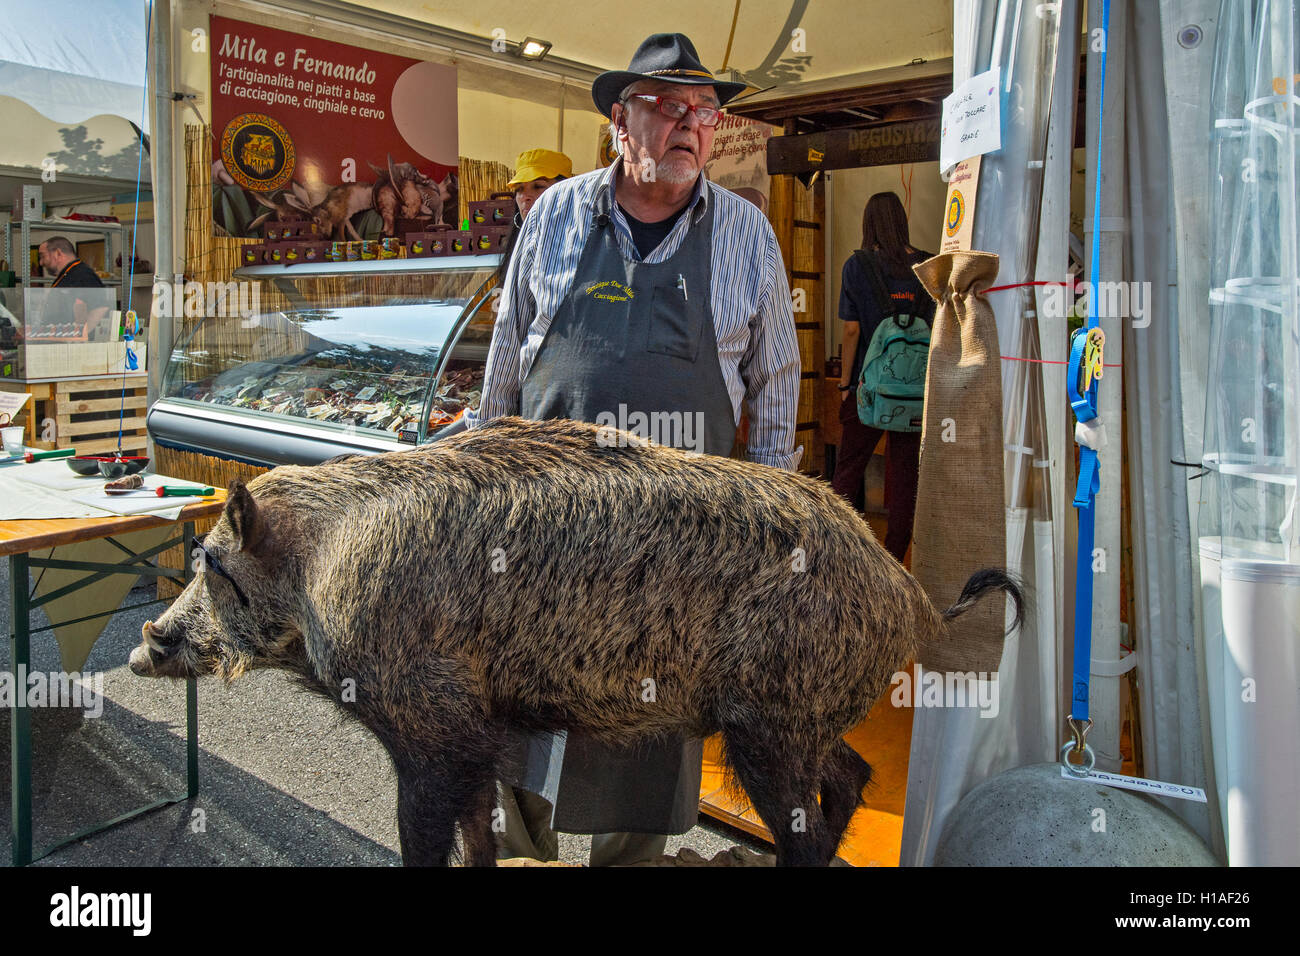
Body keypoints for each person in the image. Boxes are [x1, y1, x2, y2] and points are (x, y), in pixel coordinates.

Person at [471, 32, 801, 866]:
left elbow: (776, 378)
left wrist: (766, 527)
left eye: (706, 112)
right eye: (668, 106)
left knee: (652, 716)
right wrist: (475, 484)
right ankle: (518, 857)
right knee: (523, 706)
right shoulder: (554, 213)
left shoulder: (746, 234)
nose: (692, 125)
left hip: (679, 545)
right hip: (546, 528)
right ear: (622, 119)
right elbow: (509, 347)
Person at [831, 191, 934, 564]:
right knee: (906, 475)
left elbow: (852, 331)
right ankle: (894, 557)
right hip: (913, 394)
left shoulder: (857, 266)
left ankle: (840, 547)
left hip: (867, 389)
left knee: (849, 467)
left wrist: (845, 384)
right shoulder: (928, 265)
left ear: (868, 222)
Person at [35, 236, 110, 337]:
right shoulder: (67, 274)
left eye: (43, 256)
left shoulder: (83, 274)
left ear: (58, 253)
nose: (41, 262)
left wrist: (80, 335)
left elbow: (100, 308)